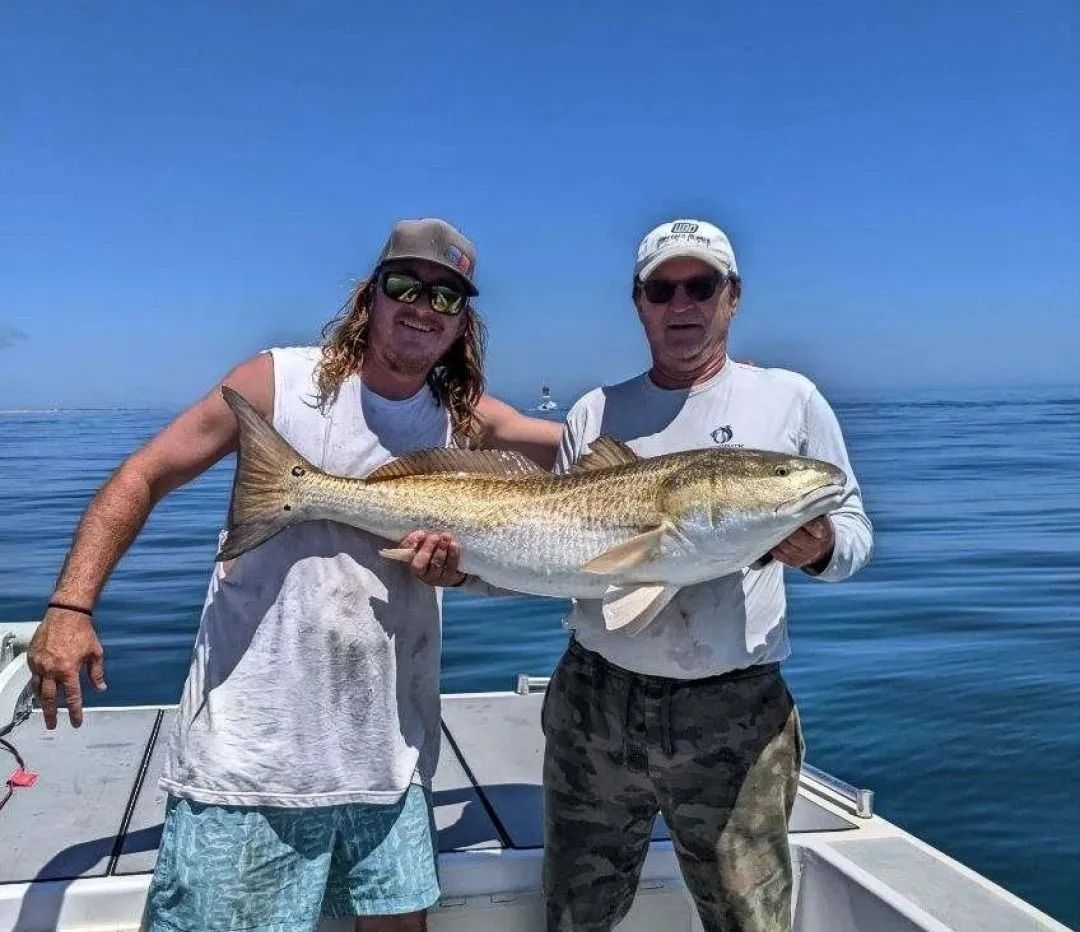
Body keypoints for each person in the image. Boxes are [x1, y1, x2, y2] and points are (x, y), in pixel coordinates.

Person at [27, 218, 562, 932]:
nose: (422, 306)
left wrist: (732, 490)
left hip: (390, 760)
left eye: (446, 297)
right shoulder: (277, 382)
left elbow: (576, 445)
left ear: (463, 321)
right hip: (251, 759)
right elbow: (145, 474)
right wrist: (70, 606)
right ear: (369, 296)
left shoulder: (461, 421)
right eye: (405, 285)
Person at [408, 218, 873, 932]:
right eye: (662, 288)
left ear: (734, 296)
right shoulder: (597, 412)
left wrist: (817, 549)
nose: (681, 304)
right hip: (595, 701)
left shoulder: (791, 400)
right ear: (638, 301)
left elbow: (854, 531)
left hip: (734, 709)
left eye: (701, 285)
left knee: (749, 919)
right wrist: (460, 573)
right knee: (575, 913)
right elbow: (556, 556)